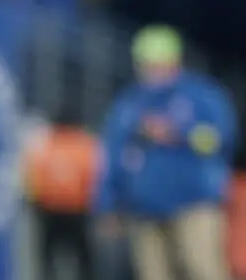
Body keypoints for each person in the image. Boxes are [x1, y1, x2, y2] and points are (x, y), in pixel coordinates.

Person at [94, 25, 238, 280]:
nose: (153, 70)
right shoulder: (129, 104)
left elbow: (220, 140)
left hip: (194, 203)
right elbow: (113, 155)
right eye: (147, 64)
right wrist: (107, 203)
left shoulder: (200, 96)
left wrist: (179, 133)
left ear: (176, 61)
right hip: (144, 210)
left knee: (203, 270)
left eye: (159, 63)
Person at [24, 101, 99, 280]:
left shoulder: (45, 144)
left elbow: (34, 176)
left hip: (50, 209)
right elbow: (93, 176)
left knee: (48, 259)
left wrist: (34, 201)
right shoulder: (85, 144)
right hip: (77, 209)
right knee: (83, 260)